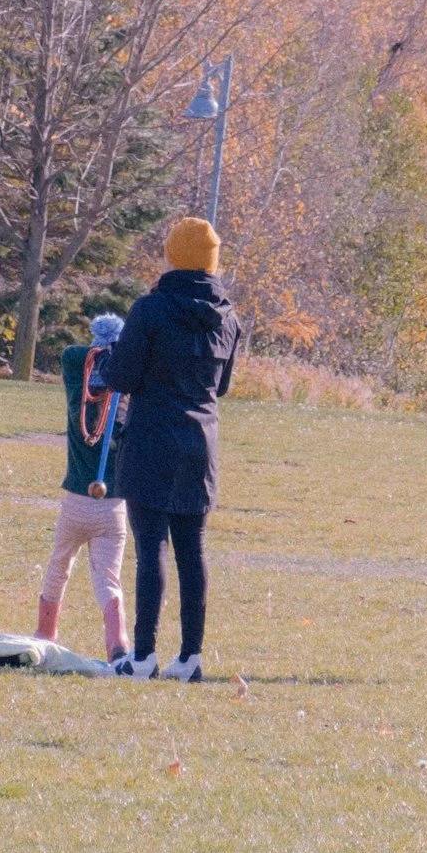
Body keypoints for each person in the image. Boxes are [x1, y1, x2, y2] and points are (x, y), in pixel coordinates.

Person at [101, 217, 243, 682]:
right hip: (201, 443)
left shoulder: (150, 309)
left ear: (173, 256)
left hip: (150, 438)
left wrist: (108, 357)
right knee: (192, 550)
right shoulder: (229, 317)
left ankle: (143, 657)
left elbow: (121, 377)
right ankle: (191, 658)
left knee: (150, 551)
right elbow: (220, 385)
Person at [36, 314, 131, 659]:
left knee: (58, 567)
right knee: (109, 581)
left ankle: (46, 632)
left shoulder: (79, 389)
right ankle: (117, 643)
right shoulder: (129, 401)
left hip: (76, 502)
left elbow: (71, 354)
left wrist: (100, 351)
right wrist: (122, 356)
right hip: (114, 509)